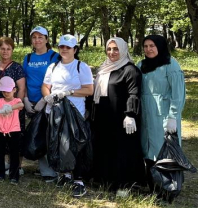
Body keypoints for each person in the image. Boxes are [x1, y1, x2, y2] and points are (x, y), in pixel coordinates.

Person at [42, 34, 94, 198]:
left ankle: (79, 181)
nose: (64, 50)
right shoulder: (53, 67)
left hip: (75, 113)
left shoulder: (81, 67)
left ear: (75, 49)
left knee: (75, 143)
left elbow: (89, 90)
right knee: (60, 143)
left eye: (68, 47)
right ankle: (66, 175)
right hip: (56, 111)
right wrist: (47, 96)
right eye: (62, 47)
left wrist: (70, 92)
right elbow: (46, 85)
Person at [91, 37, 144, 194]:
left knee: (122, 151)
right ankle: (105, 180)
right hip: (103, 117)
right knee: (104, 148)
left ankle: (124, 184)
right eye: (109, 49)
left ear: (123, 50)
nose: (112, 52)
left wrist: (130, 114)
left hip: (121, 119)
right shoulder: (103, 69)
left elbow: (134, 93)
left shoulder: (130, 70)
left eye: (115, 49)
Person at [138, 35, 185, 187]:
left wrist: (173, 116)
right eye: (145, 46)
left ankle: (168, 185)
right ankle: (152, 182)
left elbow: (178, 93)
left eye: (152, 45)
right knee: (147, 148)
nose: (148, 49)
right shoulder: (141, 65)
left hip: (163, 114)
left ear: (160, 46)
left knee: (163, 148)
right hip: (146, 114)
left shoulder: (170, 65)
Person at [21, 26, 58, 181]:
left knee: (46, 134)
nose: (37, 40)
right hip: (31, 101)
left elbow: (57, 80)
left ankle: (48, 171)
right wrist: (26, 100)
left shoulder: (54, 57)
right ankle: (38, 165)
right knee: (33, 133)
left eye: (40, 37)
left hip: (47, 101)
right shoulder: (28, 58)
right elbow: (23, 81)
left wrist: (45, 100)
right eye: (34, 37)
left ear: (47, 39)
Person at [0, 36, 26, 177]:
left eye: (8, 49)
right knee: (1, 135)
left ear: (12, 50)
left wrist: (16, 105)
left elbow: (21, 88)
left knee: (15, 137)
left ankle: (16, 165)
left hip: (13, 108)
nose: (5, 51)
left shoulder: (17, 67)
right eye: (2, 48)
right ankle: (3, 167)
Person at [0, 76, 24, 184]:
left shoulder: (17, 100)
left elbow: (21, 104)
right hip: (0, 131)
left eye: (8, 91)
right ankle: (0, 174)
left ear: (14, 90)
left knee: (14, 153)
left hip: (14, 130)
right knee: (0, 153)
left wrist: (10, 107)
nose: (6, 93)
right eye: (4, 91)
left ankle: (14, 175)